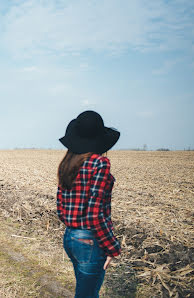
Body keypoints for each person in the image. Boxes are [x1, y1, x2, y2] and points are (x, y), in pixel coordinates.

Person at [56, 110, 121, 298]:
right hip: (90, 240)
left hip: (70, 237)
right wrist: (112, 246)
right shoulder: (100, 163)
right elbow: (95, 214)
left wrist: (74, 228)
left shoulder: (67, 163)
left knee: (84, 292)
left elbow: (61, 207)